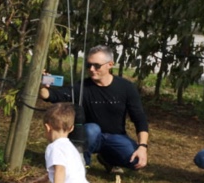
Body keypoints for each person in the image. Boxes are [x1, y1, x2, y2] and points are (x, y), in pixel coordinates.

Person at [40, 45, 149, 173]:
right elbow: (52, 96)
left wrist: (142, 147)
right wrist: (42, 85)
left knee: (136, 161)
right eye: (89, 65)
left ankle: (108, 159)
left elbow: (139, 118)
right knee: (92, 129)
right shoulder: (82, 87)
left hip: (116, 136)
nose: (91, 69)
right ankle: (81, 163)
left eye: (97, 66)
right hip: (89, 135)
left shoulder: (126, 87)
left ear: (110, 64)